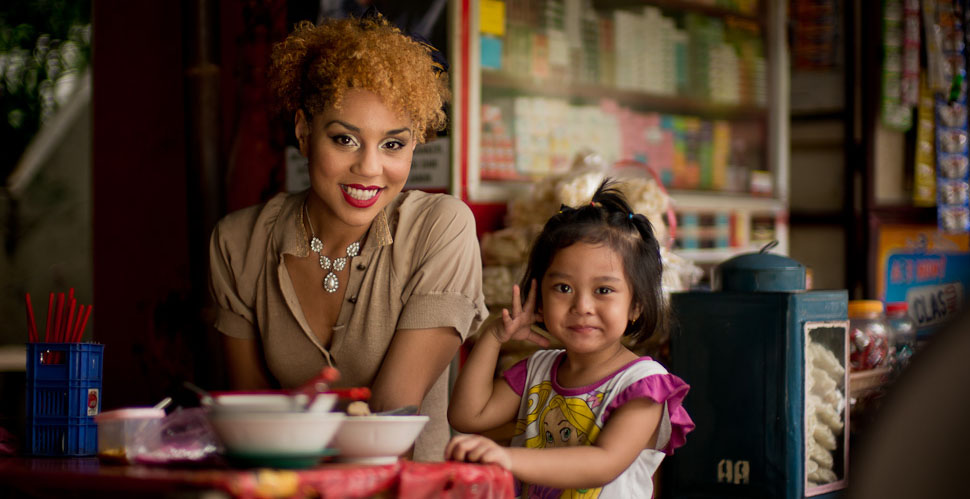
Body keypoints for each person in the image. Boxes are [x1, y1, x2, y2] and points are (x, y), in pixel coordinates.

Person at [207, 14, 488, 461]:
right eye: (345, 139)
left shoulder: (440, 228)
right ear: (304, 131)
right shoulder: (238, 243)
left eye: (393, 144)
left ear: (415, 144)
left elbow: (390, 416)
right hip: (285, 488)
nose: (370, 168)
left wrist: (289, 421)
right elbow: (252, 414)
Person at [446, 180, 695, 497]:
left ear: (636, 305)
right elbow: (468, 416)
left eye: (603, 290)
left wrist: (508, 457)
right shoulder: (537, 370)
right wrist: (493, 337)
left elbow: (603, 463)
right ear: (538, 294)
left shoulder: (643, 384)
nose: (582, 307)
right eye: (563, 288)